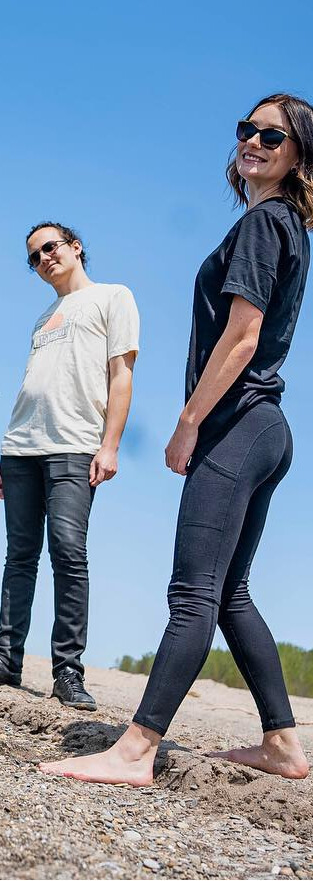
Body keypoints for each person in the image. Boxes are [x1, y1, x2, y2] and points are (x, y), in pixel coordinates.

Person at [40, 91, 313, 782]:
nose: (253, 141)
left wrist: (188, 422)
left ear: (299, 157)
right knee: (229, 595)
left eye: (272, 136)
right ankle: (282, 744)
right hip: (267, 429)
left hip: (236, 425)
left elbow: (243, 336)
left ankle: (135, 750)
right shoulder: (287, 227)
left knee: (193, 593)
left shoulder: (264, 225)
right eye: (247, 129)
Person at [0, 223, 139, 710]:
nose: (43, 258)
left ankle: (67, 672)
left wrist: (110, 445)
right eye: (34, 257)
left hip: (75, 445)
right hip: (20, 447)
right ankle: (5, 662)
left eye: (50, 247)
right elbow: (33, 386)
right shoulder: (43, 318)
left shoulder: (113, 297)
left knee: (67, 551)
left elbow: (121, 376)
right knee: (19, 556)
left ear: (75, 247)